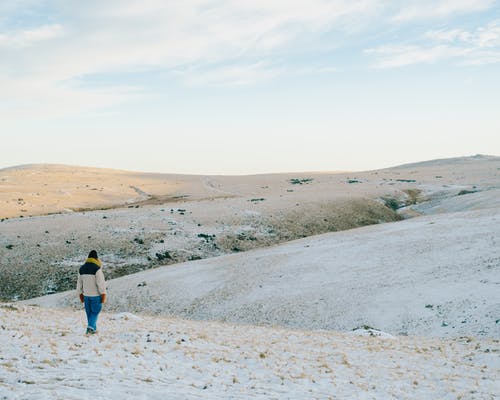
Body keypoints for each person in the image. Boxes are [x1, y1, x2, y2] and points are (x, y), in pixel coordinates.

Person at [76, 250, 107, 334]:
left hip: (86, 295)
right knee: (95, 311)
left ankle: (93, 329)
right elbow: (100, 283)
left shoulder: (82, 268)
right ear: (96, 258)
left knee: (89, 313)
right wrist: (103, 293)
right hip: (95, 295)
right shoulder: (97, 269)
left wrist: (80, 294)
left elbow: (79, 283)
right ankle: (90, 328)